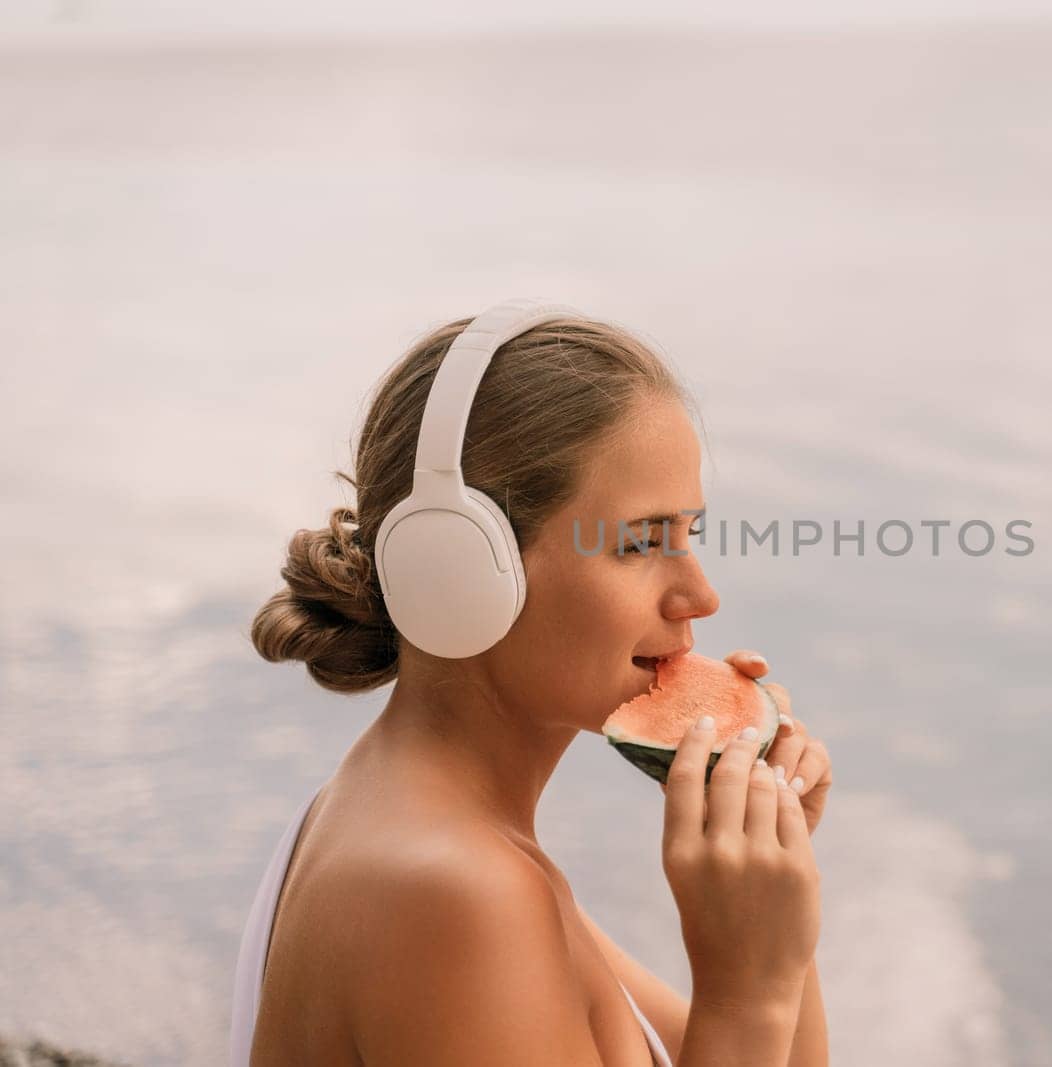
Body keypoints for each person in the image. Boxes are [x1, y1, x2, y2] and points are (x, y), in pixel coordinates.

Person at [239, 306, 832, 1065]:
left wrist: (775, 904)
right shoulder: (453, 894)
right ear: (462, 566)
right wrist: (748, 989)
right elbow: (746, 1022)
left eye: (690, 535)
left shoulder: (449, 834)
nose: (701, 594)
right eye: (640, 543)